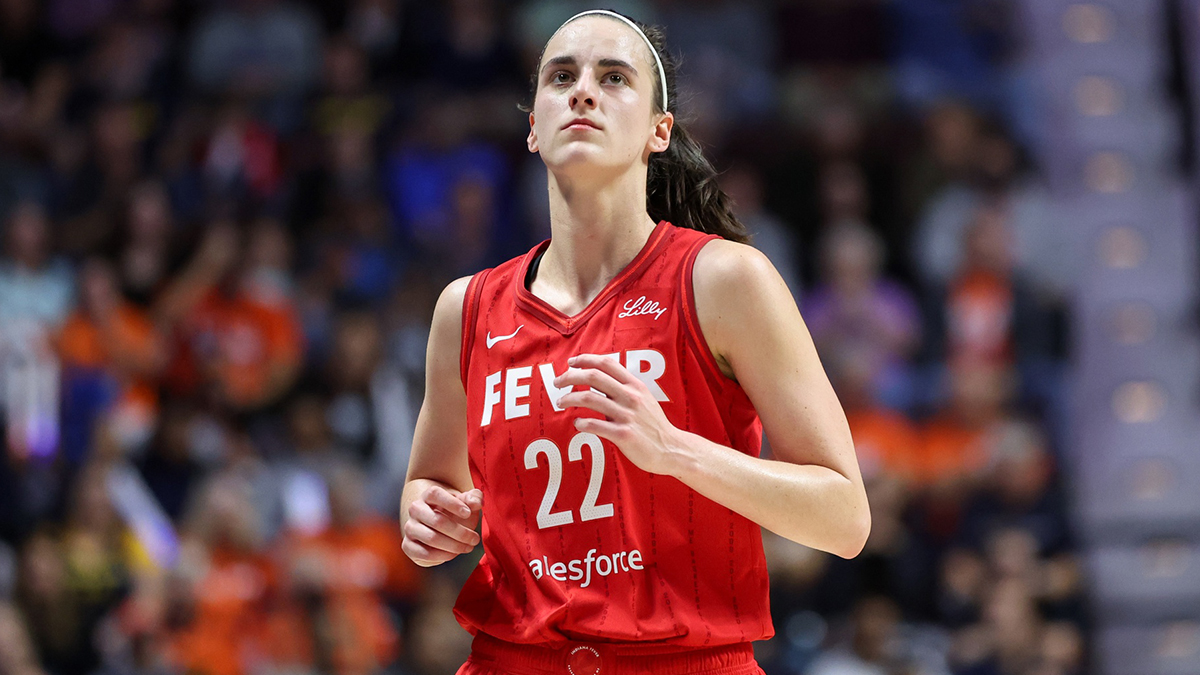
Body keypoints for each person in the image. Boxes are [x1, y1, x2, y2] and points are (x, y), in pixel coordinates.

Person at [400, 10, 870, 675]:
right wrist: (426, 518)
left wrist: (673, 448)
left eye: (613, 76)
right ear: (533, 127)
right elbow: (428, 483)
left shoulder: (724, 280)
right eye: (561, 77)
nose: (583, 90)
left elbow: (845, 518)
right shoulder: (466, 308)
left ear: (659, 130)